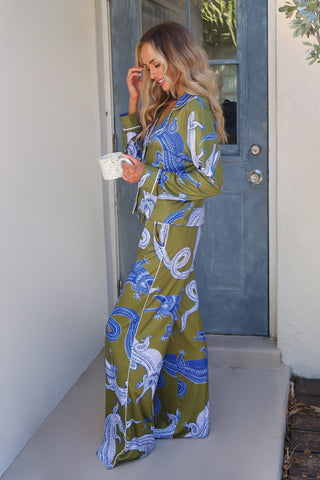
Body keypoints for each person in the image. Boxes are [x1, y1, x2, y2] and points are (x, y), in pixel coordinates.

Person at [97, 21, 226, 469]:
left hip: (172, 240)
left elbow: (211, 180)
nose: (153, 73)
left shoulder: (195, 110)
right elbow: (143, 157)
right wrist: (134, 105)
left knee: (123, 332)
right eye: (147, 66)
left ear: (178, 56)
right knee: (180, 324)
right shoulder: (169, 107)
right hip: (157, 232)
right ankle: (187, 419)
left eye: (157, 64)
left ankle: (131, 437)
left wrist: (147, 177)